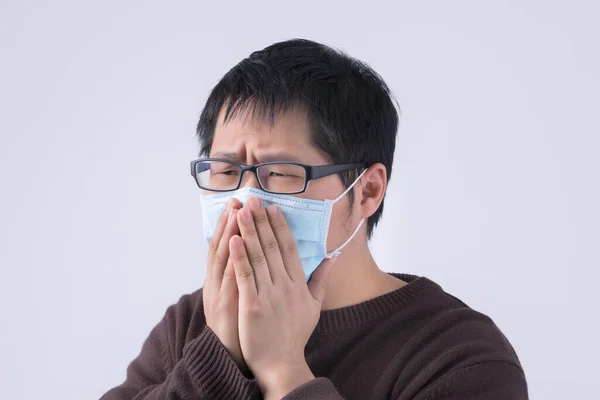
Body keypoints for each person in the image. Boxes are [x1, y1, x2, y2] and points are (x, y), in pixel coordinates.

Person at [101, 38, 528, 400]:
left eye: (281, 174)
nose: (245, 205)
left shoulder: (460, 356)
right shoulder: (194, 321)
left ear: (368, 191)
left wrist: (284, 368)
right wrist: (217, 356)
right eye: (227, 172)